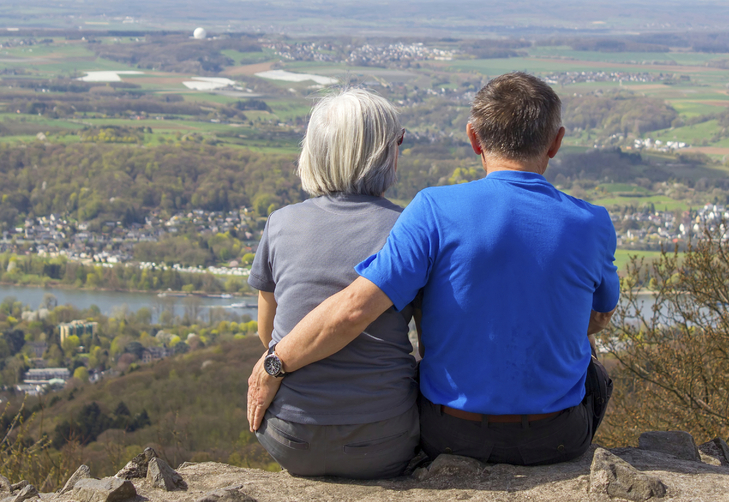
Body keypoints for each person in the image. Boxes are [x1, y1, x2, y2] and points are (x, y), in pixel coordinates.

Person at [249, 72, 618, 466]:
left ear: (473, 137)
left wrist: (275, 363)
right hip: (559, 437)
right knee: (587, 352)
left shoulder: (433, 210)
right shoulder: (592, 222)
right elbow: (597, 317)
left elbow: (356, 306)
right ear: (557, 141)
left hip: (452, 435)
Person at [246, 88, 420, 478]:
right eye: (398, 141)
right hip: (385, 440)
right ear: (382, 153)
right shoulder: (409, 230)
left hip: (287, 437)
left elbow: (267, 333)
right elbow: (434, 344)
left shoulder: (281, 223)